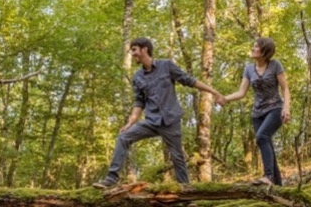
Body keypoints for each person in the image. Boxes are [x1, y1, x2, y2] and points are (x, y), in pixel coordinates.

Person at [93, 37, 225, 193]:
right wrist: (130, 123)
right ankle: (111, 179)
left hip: (170, 120)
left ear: (144, 49)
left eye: (134, 49)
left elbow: (189, 80)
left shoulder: (166, 66)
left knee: (177, 158)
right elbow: (139, 102)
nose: (133, 53)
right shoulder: (137, 77)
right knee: (123, 137)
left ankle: (186, 191)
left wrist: (214, 91)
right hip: (151, 121)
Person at [219, 38, 290, 186]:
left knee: (261, 136)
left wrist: (286, 108)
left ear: (265, 51)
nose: (253, 48)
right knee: (266, 144)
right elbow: (241, 92)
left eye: (256, 46)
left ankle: (268, 177)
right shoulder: (249, 69)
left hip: (275, 109)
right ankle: (278, 187)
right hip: (257, 114)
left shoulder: (275, 65)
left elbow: (285, 88)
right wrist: (225, 98)